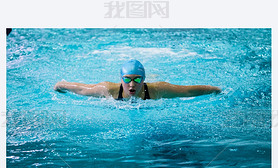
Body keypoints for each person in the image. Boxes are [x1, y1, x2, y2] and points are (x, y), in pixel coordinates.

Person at [54, 59, 221, 100]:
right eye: (127, 80)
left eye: (137, 79)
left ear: (144, 80)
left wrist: (215, 89)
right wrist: (61, 85)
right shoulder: (107, 90)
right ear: (120, 80)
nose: (132, 85)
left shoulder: (157, 89)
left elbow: (187, 90)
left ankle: (153, 74)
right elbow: (82, 88)